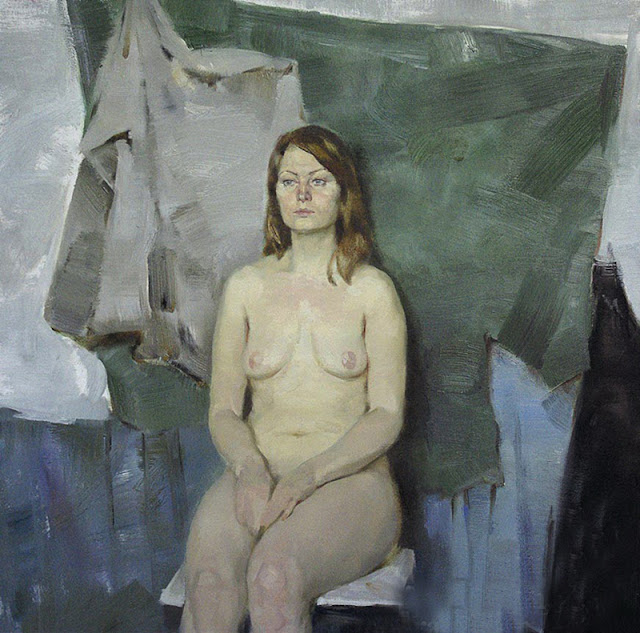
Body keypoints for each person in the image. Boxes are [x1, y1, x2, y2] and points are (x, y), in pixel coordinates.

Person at [181, 125, 407, 633]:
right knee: (210, 583)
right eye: (289, 181)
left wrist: (307, 478)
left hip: (351, 482)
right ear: (275, 193)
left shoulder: (372, 291)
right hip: (259, 470)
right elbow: (223, 410)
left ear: (344, 194)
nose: (302, 194)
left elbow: (388, 415)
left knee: (274, 579)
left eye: (318, 181)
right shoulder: (245, 287)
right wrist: (249, 468)